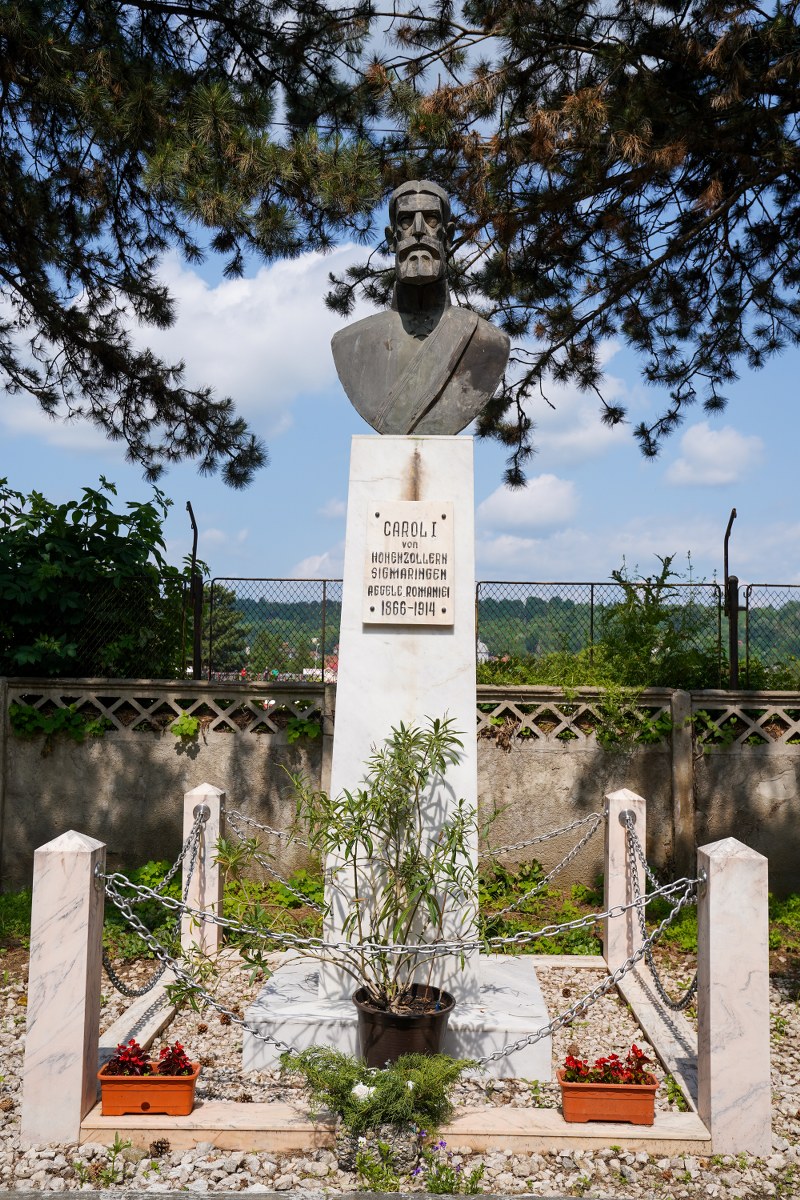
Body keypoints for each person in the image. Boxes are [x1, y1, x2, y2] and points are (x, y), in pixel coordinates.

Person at [331, 180, 510, 434]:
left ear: (448, 237)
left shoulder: (488, 342)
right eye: (405, 221)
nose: (418, 230)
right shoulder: (350, 343)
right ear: (392, 239)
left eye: (431, 220)